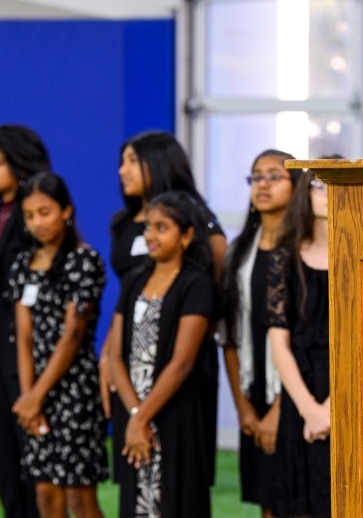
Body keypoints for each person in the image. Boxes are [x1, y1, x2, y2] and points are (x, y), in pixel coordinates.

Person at [104, 130, 226, 486]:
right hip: (129, 358)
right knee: (135, 468)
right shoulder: (124, 223)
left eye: (131, 161)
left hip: (181, 363)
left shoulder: (199, 220)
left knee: (178, 473)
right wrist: (109, 358)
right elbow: (125, 296)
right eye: (121, 162)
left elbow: (216, 293)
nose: (122, 171)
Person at [107, 192, 216, 517]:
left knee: (174, 501)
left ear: (186, 235)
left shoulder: (196, 284)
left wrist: (141, 418)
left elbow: (182, 363)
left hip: (174, 413)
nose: (151, 236)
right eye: (148, 227)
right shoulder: (134, 280)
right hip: (134, 409)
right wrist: (134, 415)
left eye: (161, 227)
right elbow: (114, 356)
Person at [7, 172, 108, 517]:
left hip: (74, 391)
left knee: (78, 498)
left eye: (45, 212)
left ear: (67, 210)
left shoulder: (84, 260)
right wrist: (28, 397)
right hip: (34, 395)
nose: (38, 222)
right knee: (45, 497)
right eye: (30, 215)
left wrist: (37, 395)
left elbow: (72, 336)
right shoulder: (22, 263)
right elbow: (23, 335)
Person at [0, 124, 51, 518]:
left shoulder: (32, 213)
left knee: (34, 466)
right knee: (5, 462)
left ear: (21, 163)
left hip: (26, 348)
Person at [220, 149, 300, 517]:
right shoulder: (238, 252)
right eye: (256, 176)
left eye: (273, 175)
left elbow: (305, 337)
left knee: (297, 501)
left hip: (298, 396)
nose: (262, 184)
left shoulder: (305, 251)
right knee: (266, 503)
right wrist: (243, 408)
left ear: (295, 185)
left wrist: (280, 411)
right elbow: (230, 334)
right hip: (254, 396)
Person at [267, 168, 334, 518]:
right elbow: (278, 341)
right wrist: (310, 409)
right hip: (300, 392)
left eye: (332, 183)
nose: (324, 192)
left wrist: (333, 408)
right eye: (317, 184)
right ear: (304, 193)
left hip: (350, 392)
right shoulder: (283, 259)